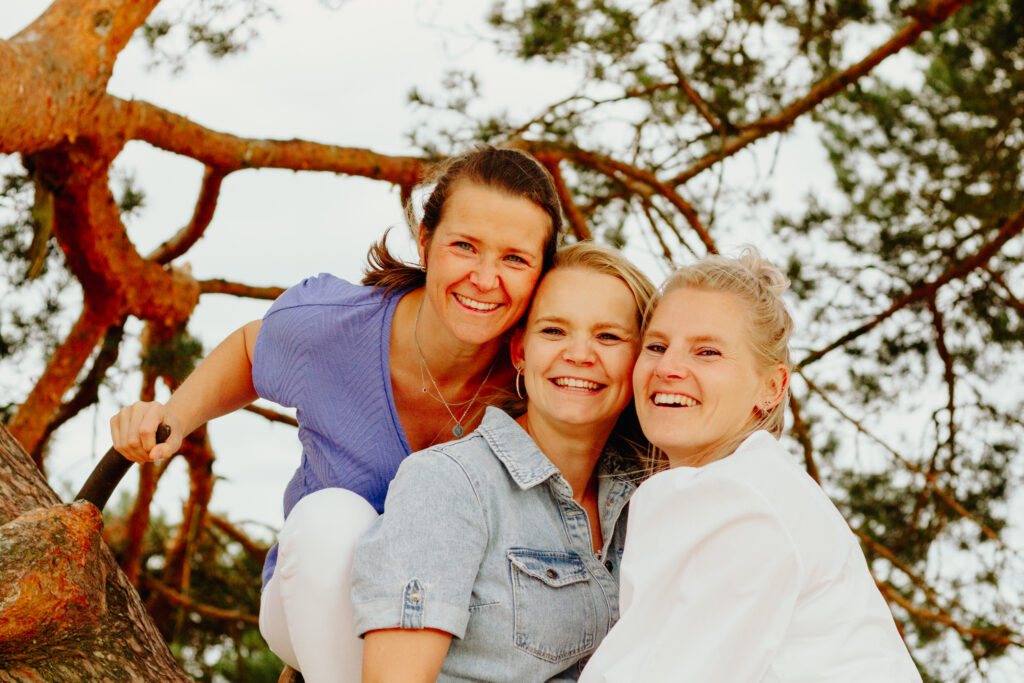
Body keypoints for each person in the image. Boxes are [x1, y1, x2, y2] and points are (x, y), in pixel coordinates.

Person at [108, 145, 564, 681]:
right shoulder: (334, 325)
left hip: (459, 625)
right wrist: (175, 415)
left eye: (515, 258)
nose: (485, 278)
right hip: (322, 597)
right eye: (465, 246)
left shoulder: (544, 373)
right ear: (425, 240)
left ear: (542, 272)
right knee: (334, 520)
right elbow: (252, 352)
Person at [579, 248, 922, 682]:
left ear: (772, 387)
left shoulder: (744, 498)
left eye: (707, 352)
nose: (668, 367)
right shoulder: (744, 486)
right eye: (657, 346)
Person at [349, 242, 656, 682]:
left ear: (641, 357)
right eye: (553, 331)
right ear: (519, 351)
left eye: (608, 336)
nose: (580, 354)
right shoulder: (449, 484)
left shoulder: (651, 497)